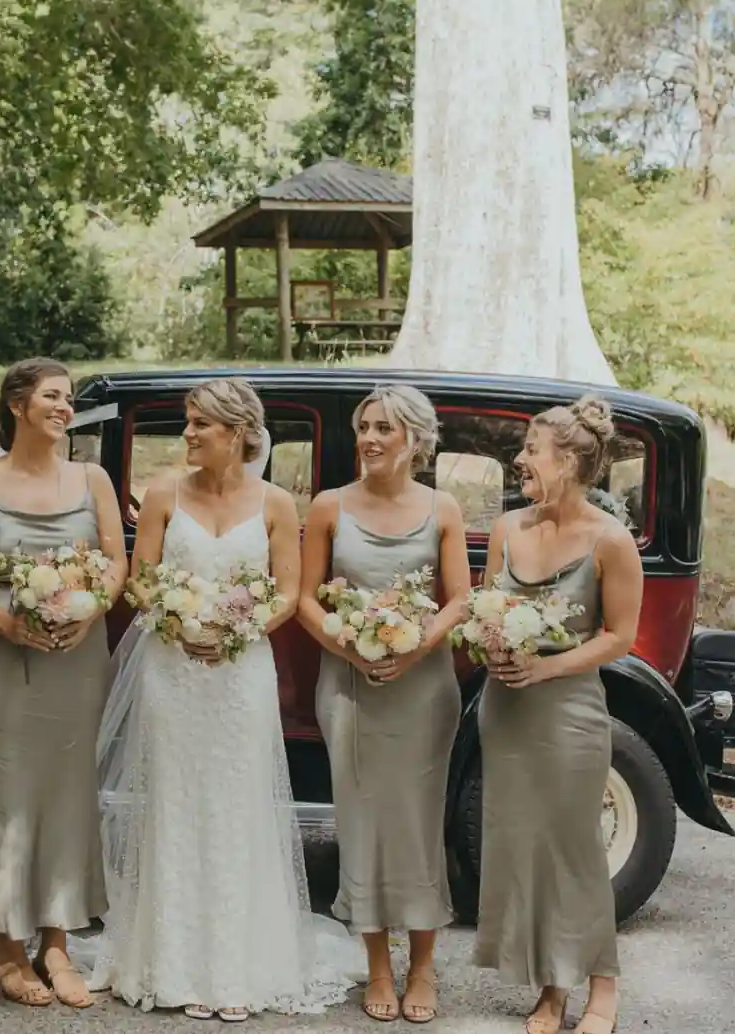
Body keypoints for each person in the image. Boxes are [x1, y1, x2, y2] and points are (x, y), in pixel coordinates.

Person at [89, 377, 359, 1019]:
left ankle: (239, 968)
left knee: (238, 805)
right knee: (175, 803)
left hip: (239, 674)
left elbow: (288, 594)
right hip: (171, 669)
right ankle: (172, 961)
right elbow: (143, 582)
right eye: (188, 422)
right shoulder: (162, 495)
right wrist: (182, 624)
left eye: (199, 424)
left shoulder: (275, 504)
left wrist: (232, 631)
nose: (187, 435)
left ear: (236, 433)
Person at [0, 358, 126, 1009]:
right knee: (11, 800)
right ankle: (5, 946)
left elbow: (115, 564)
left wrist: (88, 610)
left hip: (76, 658)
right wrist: (1, 620)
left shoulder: (92, 478)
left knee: (71, 796)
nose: (64, 407)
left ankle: (57, 942)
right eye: (52, 395)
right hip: (1, 660)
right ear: (17, 404)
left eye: (68, 398)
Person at [299, 385, 470, 1025]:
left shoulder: (443, 508)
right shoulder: (327, 507)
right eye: (364, 427)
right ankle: (375, 965)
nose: (369, 439)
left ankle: (422, 965)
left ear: (415, 441)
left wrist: (411, 645)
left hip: (424, 690)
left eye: (384, 429)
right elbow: (305, 599)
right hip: (346, 686)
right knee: (362, 822)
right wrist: (351, 644)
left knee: (419, 824)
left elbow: (458, 598)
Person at [475, 396, 642, 1034]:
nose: (520, 459)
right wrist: (488, 641)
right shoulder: (507, 529)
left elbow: (619, 637)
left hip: (569, 711)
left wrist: (545, 666)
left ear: (568, 462)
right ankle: (551, 991)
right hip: (506, 709)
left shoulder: (610, 540)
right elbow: (488, 604)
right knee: (525, 849)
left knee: (573, 849)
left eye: (532, 450)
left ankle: (604, 988)